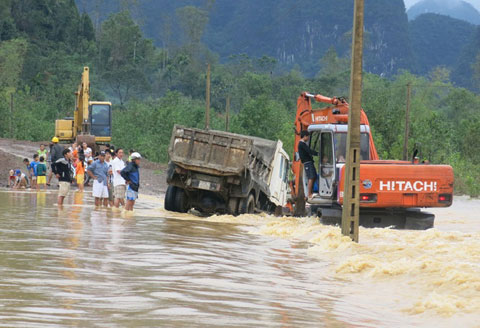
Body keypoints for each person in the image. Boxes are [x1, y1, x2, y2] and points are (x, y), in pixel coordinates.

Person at [298, 130, 319, 200]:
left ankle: (311, 192)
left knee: (314, 176)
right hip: (307, 163)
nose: (308, 138)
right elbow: (309, 151)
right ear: (304, 136)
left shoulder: (303, 144)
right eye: (308, 137)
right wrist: (318, 154)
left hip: (309, 162)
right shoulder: (301, 144)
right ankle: (309, 194)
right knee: (311, 177)